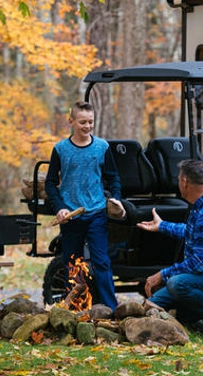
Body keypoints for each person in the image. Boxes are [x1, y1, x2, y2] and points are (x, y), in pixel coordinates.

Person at [137, 159, 203, 338]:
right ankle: (190, 318)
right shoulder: (202, 206)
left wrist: (161, 275)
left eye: (179, 179)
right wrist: (161, 226)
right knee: (150, 305)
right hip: (201, 279)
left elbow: (198, 264)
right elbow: (191, 232)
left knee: (176, 283)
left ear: (184, 182)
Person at [45, 101, 125, 311]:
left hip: (96, 213)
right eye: (82, 122)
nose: (87, 126)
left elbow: (113, 177)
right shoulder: (61, 149)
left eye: (91, 122)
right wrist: (59, 207)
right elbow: (50, 183)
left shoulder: (102, 147)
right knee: (72, 264)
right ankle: (74, 309)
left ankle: (110, 308)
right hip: (71, 216)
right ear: (71, 121)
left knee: (101, 262)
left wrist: (115, 197)